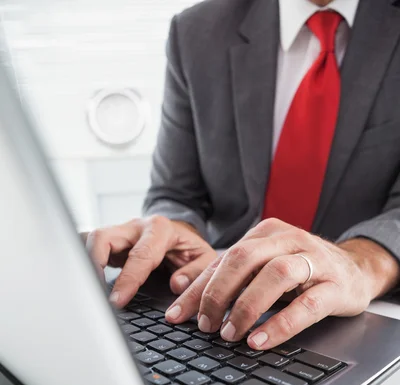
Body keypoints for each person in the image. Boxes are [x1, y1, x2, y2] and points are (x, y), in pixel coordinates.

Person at [85, 0, 400, 351]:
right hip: (216, 305)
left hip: (353, 321)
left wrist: (360, 264)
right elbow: (174, 193)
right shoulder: (196, 32)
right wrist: (177, 230)